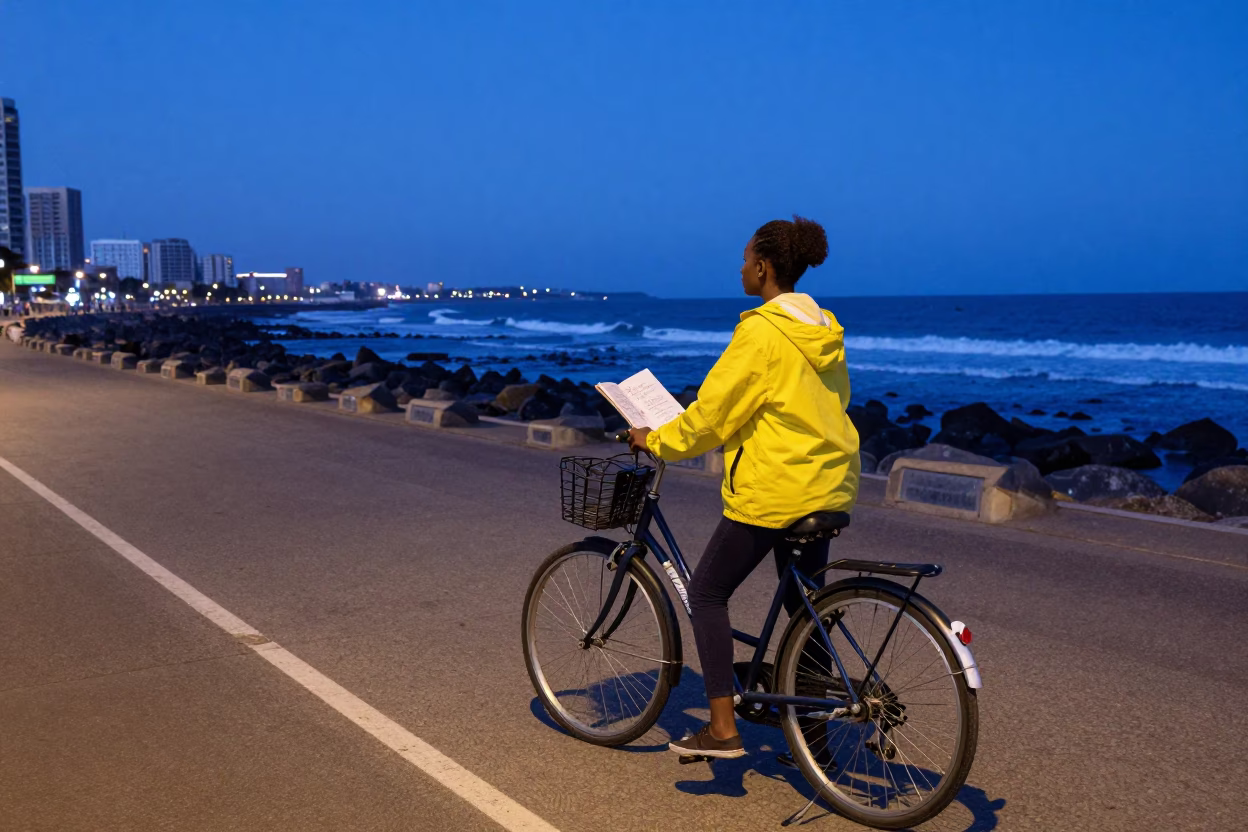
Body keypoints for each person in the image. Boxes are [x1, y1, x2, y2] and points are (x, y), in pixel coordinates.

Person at [628, 215, 860, 761]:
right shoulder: (823, 327)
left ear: (763, 266)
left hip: (777, 489)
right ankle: (815, 741)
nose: (740, 267)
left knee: (707, 592)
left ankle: (722, 729)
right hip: (827, 483)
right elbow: (821, 404)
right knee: (804, 611)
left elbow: (711, 415)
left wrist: (655, 440)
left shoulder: (761, 331)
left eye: (745, 258)